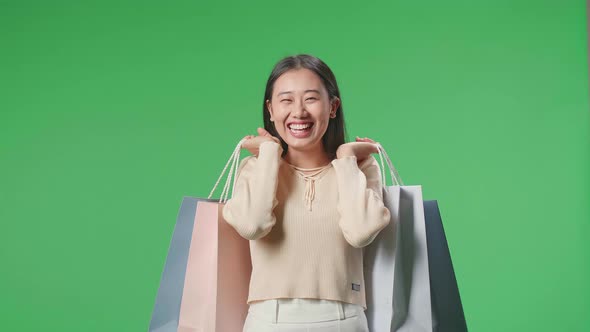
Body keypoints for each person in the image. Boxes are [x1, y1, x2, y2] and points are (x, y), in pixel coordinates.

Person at [222, 54, 391, 332]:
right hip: (268, 320)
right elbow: (252, 225)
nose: (299, 112)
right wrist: (268, 153)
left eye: (311, 98)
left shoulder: (359, 168)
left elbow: (360, 232)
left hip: (343, 319)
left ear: (333, 106)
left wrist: (346, 157)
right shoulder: (255, 169)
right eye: (286, 100)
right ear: (271, 110)